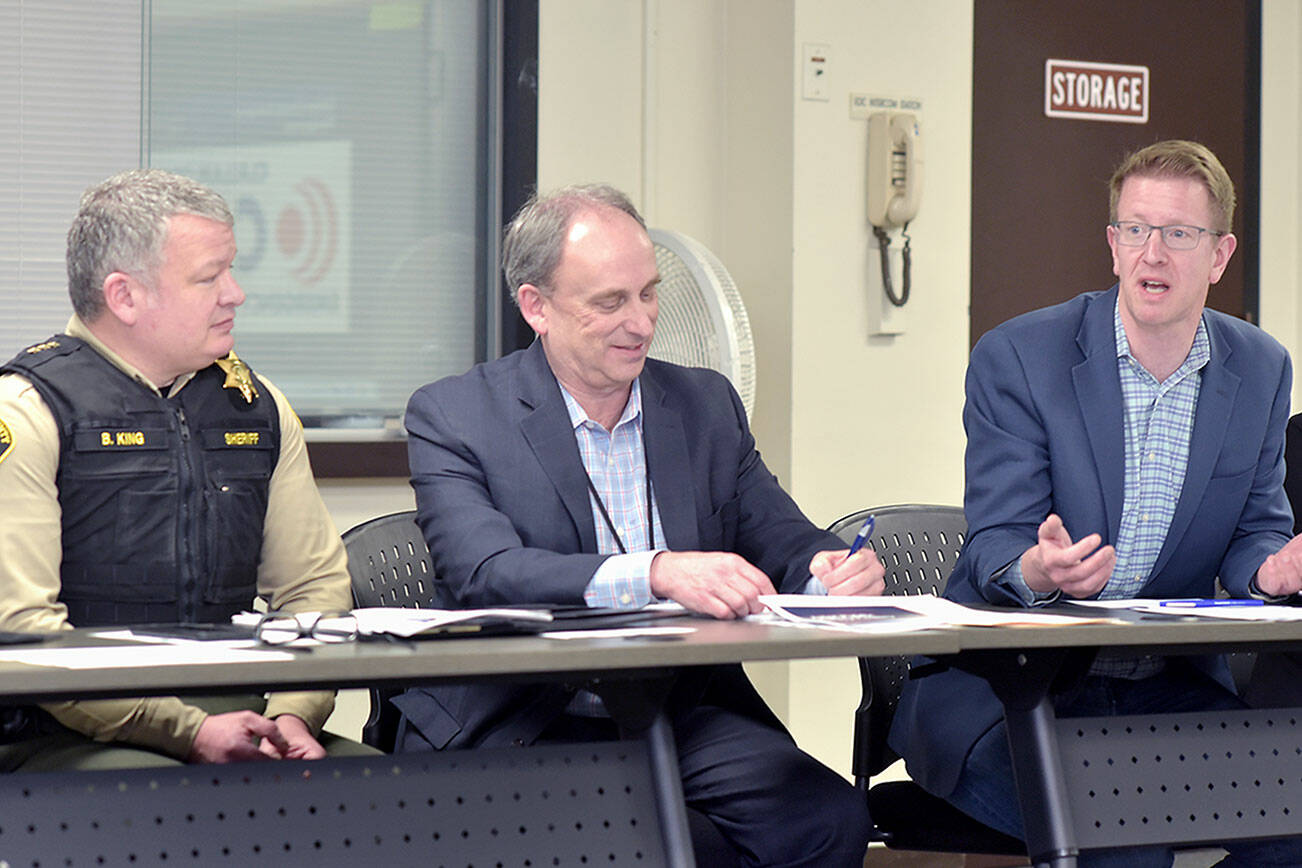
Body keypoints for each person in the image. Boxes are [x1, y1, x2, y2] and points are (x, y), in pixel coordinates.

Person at [398, 184, 883, 866]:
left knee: (824, 816)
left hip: (675, 707)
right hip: (526, 714)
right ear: (536, 306)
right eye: (609, 302)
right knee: (630, 843)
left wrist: (829, 570)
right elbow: (485, 572)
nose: (641, 322)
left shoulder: (704, 404)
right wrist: (656, 571)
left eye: (649, 293)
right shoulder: (456, 416)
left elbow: (784, 538)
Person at [891, 140, 1302, 867]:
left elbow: (1254, 531)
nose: (1153, 254)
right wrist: (1039, 570)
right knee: (1121, 836)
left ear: (1220, 254)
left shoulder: (1260, 367)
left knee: (1291, 819)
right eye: (1135, 230)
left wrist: (1269, 572)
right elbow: (993, 543)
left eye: (1179, 234)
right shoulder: (1019, 357)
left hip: (1164, 688)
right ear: (1112, 246)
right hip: (1014, 690)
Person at [0, 169, 374, 770]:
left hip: (243, 709)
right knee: (170, 813)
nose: (235, 293)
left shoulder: (257, 405)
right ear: (124, 297)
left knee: (386, 790)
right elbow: (23, 632)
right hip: (72, 726)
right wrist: (188, 732)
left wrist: (292, 713)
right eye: (209, 277)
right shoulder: (29, 410)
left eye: (231, 269)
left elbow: (312, 589)